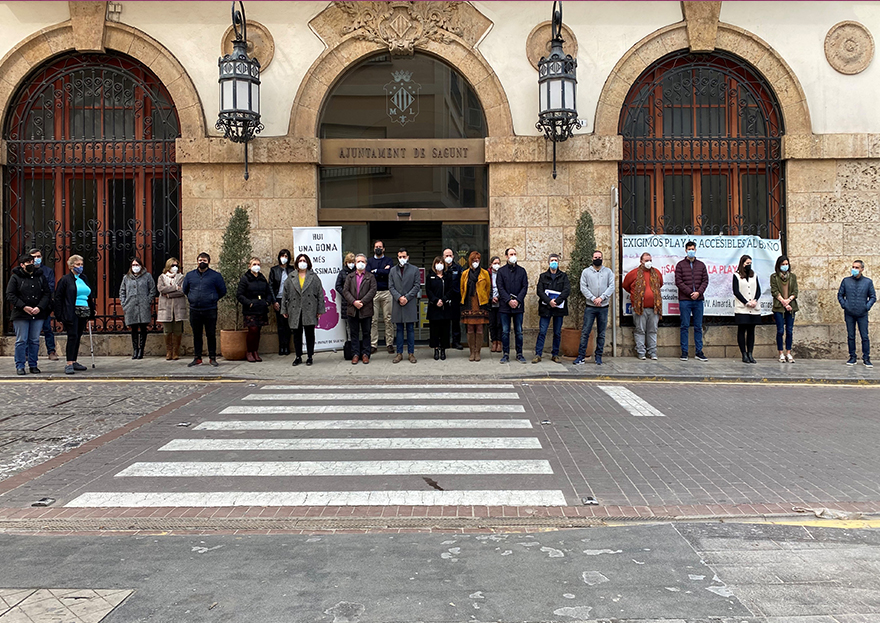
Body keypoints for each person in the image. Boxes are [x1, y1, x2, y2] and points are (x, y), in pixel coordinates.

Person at [6, 253, 51, 374]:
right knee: (21, 340)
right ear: (22, 265)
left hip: (37, 313)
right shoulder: (15, 278)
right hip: (21, 314)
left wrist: (39, 307)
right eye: (28, 263)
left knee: (34, 340)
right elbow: (10, 295)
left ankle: (33, 364)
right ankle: (20, 365)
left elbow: (47, 293)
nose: (32, 264)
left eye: (33, 262)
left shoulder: (40, 277)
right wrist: (24, 306)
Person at [182, 252, 227, 367]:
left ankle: (212, 358)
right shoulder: (190, 275)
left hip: (210, 309)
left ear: (209, 262)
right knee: (196, 334)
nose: (202, 262)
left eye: (204, 261)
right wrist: (193, 299)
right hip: (195, 309)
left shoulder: (216, 276)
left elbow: (222, 291)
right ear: (197, 262)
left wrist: (213, 299)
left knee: (211, 334)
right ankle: (197, 358)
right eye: (200, 260)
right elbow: (185, 289)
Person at [281, 253, 325, 366]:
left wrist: (320, 310)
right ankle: (298, 356)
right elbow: (284, 295)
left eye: (304, 260)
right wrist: (284, 310)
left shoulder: (314, 277)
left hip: (310, 309)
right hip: (295, 309)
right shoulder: (291, 277)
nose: (302, 262)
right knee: (297, 334)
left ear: (308, 263)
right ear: (296, 263)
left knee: (310, 334)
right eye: (300, 260)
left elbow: (320, 294)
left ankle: (310, 356)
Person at [54, 254, 95, 375]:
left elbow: (89, 295)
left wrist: (92, 310)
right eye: (78, 264)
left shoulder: (84, 278)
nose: (80, 267)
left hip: (84, 310)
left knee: (78, 336)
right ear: (71, 266)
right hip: (72, 310)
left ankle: (74, 360)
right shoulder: (65, 280)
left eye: (81, 264)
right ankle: (69, 363)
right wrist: (59, 314)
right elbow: (58, 298)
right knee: (72, 336)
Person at [573, 250, 614, 366]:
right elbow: (583, 287)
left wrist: (601, 298)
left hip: (603, 306)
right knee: (585, 332)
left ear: (602, 258)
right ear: (592, 258)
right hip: (590, 307)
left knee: (601, 333)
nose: (597, 259)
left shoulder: (608, 272)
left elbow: (611, 286)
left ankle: (598, 356)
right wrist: (593, 298)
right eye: (595, 257)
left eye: (599, 257)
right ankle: (581, 356)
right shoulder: (586, 272)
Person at [622, 252, 663, 360]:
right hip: (639, 309)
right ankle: (641, 352)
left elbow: (660, 284)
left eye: (650, 260)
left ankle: (652, 352)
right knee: (640, 330)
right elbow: (626, 286)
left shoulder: (657, 273)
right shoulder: (633, 274)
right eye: (646, 261)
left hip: (654, 308)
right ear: (641, 261)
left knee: (652, 330)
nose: (648, 262)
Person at [674, 241, 709, 362]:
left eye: (693, 249)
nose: (691, 251)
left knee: (698, 326)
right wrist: (690, 293)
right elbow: (679, 281)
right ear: (685, 250)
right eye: (689, 249)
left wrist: (698, 292)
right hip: (685, 300)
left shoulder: (701, 265)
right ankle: (684, 352)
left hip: (698, 300)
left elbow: (705, 281)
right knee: (684, 326)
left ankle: (699, 351)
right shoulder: (680, 265)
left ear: (696, 250)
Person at [534, 253, 570, 363]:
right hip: (546, 308)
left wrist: (557, 301)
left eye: (556, 260)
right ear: (549, 262)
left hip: (559, 309)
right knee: (542, 331)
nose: (554, 262)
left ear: (558, 263)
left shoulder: (563, 276)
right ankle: (538, 354)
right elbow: (539, 291)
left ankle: (555, 354)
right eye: (552, 260)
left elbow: (566, 290)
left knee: (557, 333)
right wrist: (549, 301)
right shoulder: (543, 276)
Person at [838, 259, 875, 368]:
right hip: (849, 312)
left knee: (864, 336)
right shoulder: (846, 281)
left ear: (862, 269)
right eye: (853, 267)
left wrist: (866, 307)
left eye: (857, 267)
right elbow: (840, 295)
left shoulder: (868, 282)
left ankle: (866, 358)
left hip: (862, 313)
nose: (854, 269)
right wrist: (845, 305)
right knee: (851, 336)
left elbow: (873, 297)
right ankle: (852, 356)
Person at [119, 257, 157, 360]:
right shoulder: (126, 278)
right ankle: (135, 349)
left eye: (137, 265)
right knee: (134, 328)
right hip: (131, 306)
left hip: (143, 306)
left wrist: (148, 300)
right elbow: (122, 291)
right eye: (133, 265)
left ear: (141, 266)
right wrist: (124, 303)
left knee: (143, 328)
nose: (135, 267)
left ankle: (141, 350)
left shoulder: (147, 276)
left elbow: (152, 290)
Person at [343, 254, 377, 364]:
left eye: (362, 261)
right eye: (358, 261)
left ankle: (366, 354)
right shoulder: (350, 277)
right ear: (355, 263)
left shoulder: (370, 276)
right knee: (354, 333)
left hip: (366, 308)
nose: (360, 263)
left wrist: (362, 302)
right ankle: (355, 354)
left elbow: (373, 290)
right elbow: (345, 291)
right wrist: (354, 302)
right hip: (352, 309)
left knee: (366, 332)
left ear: (366, 264)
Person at [496, 247, 528, 364]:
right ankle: (506, 354)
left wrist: (517, 300)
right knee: (505, 331)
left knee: (519, 331)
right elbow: (500, 287)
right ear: (506, 256)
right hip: (505, 307)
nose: (513, 256)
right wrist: (509, 300)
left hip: (518, 307)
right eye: (511, 254)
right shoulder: (501, 271)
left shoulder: (522, 271)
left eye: (514, 253)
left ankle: (519, 353)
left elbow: (525, 287)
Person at [237, 256, 271, 363]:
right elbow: (240, 295)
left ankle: (255, 351)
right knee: (252, 330)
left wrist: (267, 302)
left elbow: (268, 292)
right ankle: (249, 351)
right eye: (254, 264)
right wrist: (249, 303)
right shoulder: (245, 279)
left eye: (258, 264)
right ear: (249, 266)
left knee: (258, 331)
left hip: (261, 308)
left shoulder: (262, 278)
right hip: (251, 310)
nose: (256, 266)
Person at [389, 247, 420, 364]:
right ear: (397, 257)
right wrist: (399, 297)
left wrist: (407, 297)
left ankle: (411, 353)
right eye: (400, 257)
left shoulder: (414, 269)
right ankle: (399, 353)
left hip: (410, 302)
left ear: (408, 257)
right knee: (399, 329)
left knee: (411, 329)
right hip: (398, 303)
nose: (402, 259)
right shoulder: (392, 270)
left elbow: (417, 285)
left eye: (404, 257)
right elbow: (391, 286)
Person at [460, 251, 491, 362]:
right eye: (474, 260)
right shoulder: (465, 273)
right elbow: (462, 289)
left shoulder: (484, 273)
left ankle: (478, 352)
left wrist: (484, 299)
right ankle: (471, 351)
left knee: (479, 328)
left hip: (480, 303)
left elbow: (488, 288)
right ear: (470, 261)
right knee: (469, 328)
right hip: (468, 302)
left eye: (477, 260)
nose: (475, 262)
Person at [29, 248, 58, 361]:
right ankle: (27, 353)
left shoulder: (47, 271)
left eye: (38, 256)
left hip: (44, 305)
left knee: (47, 329)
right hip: (30, 306)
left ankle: (51, 351)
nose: (37, 259)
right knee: (28, 330)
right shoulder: (27, 271)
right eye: (34, 257)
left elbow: (50, 287)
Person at [367, 240, 394, 354]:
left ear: (384, 249)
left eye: (380, 247)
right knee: (373, 320)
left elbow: (390, 273)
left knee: (388, 319)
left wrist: (377, 271)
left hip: (387, 292)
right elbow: (369, 274)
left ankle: (389, 343)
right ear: (374, 248)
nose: (378, 248)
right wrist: (383, 270)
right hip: (374, 293)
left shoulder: (389, 260)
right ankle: (373, 344)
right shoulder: (369, 261)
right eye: (376, 246)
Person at [733, 255, 761, 364]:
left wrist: (755, 300)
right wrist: (746, 302)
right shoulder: (736, 275)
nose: (749, 265)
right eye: (747, 263)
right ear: (742, 263)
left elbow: (758, 290)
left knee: (751, 331)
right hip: (742, 308)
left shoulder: (754, 275)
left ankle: (750, 353)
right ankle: (743, 354)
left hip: (753, 308)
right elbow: (736, 291)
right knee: (742, 330)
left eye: (750, 263)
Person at [770, 255, 798, 363]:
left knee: (789, 331)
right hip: (779, 306)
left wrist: (789, 301)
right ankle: (781, 353)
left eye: (786, 264)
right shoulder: (774, 277)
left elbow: (795, 291)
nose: (785, 266)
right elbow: (774, 291)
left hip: (791, 306)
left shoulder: (793, 277)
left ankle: (789, 353)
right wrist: (784, 302)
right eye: (783, 264)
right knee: (780, 330)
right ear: (778, 265)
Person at [156, 257, 186, 361]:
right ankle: (169, 351)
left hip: (178, 307)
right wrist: (174, 288)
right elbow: (161, 289)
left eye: (176, 265)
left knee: (177, 330)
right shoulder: (162, 277)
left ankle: (176, 351)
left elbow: (182, 291)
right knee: (167, 330)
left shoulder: (181, 277)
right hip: (166, 307)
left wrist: (168, 294)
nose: (175, 267)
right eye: (173, 265)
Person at [426, 255, 453, 361]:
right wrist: (436, 300)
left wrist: (444, 299)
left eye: (441, 263)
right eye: (438, 263)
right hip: (434, 308)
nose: (439, 265)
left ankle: (443, 350)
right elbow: (428, 291)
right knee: (434, 330)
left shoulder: (448, 276)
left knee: (445, 330)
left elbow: (451, 290)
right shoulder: (430, 277)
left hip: (445, 308)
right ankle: (436, 349)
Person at [269, 249, 294, 355]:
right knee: (280, 324)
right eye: (282, 256)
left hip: (289, 299)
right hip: (278, 298)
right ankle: (281, 346)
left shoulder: (292, 269)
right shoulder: (274, 270)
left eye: (286, 256)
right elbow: (270, 285)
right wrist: (274, 301)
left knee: (288, 324)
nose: (284, 258)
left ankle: (287, 346)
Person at [444, 248, 463, 350]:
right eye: (446, 256)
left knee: (456, 321)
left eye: (450, 256)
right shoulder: (441, 268)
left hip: (455, 297)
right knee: (445, 321)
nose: (448, 258)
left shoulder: (458, 268)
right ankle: (445, 342)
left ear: (453, 256)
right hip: (444, 298)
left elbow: (462, 283)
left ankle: (456, 342)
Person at [336, 252, 356, 345]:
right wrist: (345, 294)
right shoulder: (342, 273)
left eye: (353, 262)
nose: (351, 264)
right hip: (347, 303)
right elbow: (338, 286)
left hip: (358, 301)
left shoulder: (358, 272)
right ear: (346, 262)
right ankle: (350, 344)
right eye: (349, 262)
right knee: (348, 325)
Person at [488, 256, 502, 352]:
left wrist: (499, 297)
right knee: (492, 323)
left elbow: (505, 287)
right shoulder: (487, 274)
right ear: (491, 264)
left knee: (500, 323)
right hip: (490, 303)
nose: (496, 265)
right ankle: (493, 342)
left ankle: (499, 342)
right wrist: (490, 298)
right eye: (494, 263)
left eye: (498, 263)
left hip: (501, 302)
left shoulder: (502, 273)